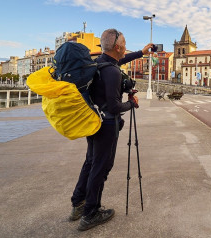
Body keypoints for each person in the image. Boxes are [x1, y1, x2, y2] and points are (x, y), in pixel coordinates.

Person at [69, 28, 153, 231]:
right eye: (124, 44)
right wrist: (132, 103)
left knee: (90, 162)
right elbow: (115, 107)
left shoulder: (99, 63)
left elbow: (118, 62)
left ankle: (78, 204)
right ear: (118, 47)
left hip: (93, 121)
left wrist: (141, 53)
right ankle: (90, 213)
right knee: (101, 167)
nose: (126, 48)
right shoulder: (113, 73)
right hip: (107, 126)